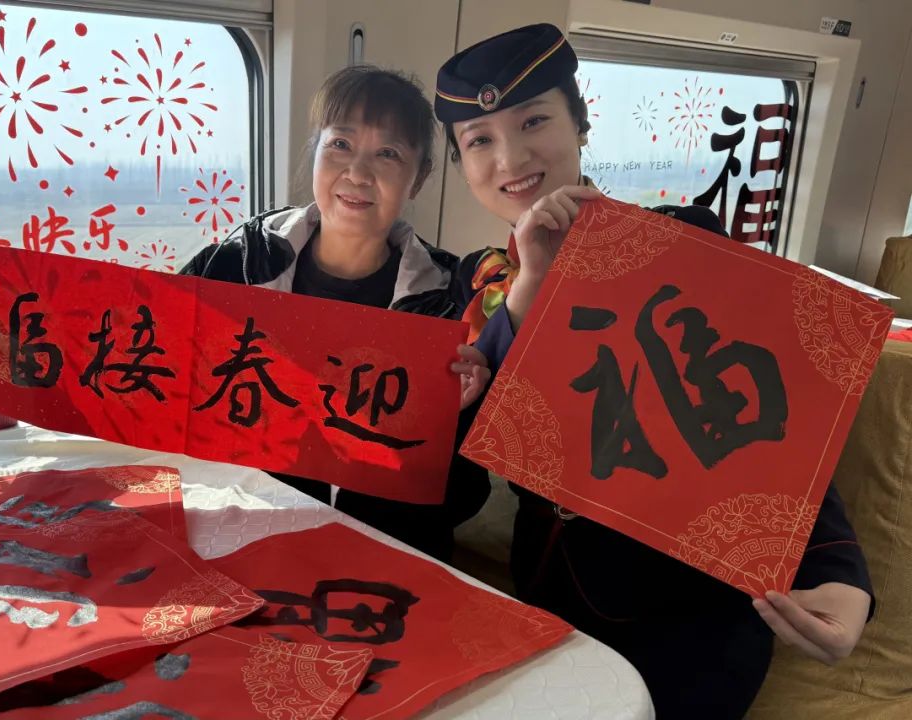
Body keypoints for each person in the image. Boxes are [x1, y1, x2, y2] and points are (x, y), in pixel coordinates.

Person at [434, 23, 873, 719]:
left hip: (690, 611)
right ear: (461, 165)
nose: (510, 157)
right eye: (479, 140)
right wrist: (532, 286)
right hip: (551, 597)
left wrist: (839, 572)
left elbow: (769, 414)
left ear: (581, 123)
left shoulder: (684, 239)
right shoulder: (480, 284)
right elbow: (459, 466)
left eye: (534, 121)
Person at [178, 65, 491, 561]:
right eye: (340, 144)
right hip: (244, 539)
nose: (358, 173)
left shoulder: (451, 304)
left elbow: (465, 500)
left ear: (419, 177)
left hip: (384, 558)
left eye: (388, 153)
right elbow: (163, 400)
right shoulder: (232, 266)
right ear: (316, 150)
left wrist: (450, 422)